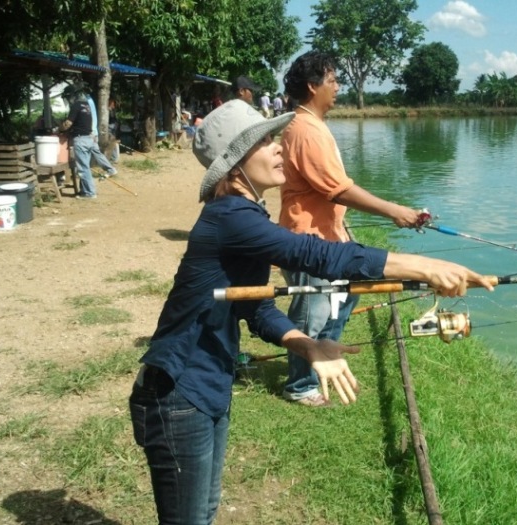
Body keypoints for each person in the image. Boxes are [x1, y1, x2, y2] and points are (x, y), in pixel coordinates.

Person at [128, 99, 493, 525]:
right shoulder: (230, 218)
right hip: (177, 390)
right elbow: (313, 253)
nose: (279, 146)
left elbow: (257, 305)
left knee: (205, 512)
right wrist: (425, 267)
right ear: (235, 163)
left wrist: (308, 345)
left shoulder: (244, 214)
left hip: (207, 384)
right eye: (265, 141)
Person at [279, 50, 423, 406]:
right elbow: (338, 189)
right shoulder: (306, 130)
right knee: (312, 312)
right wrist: (393, 211)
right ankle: (300, 385)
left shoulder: (313, 126)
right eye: (332, 81)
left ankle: (325, 356)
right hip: (308, 242)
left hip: (329, 237)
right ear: (313, 87)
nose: (338, 87)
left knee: (346, 294)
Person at [59, 83, 98, 199]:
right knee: (85, 166)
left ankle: (89, 193)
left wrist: (59, 128)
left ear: (71, 96)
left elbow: (68, 124)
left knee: (82, 168)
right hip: (88, 138)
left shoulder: (75, 106)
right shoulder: (86, 105)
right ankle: (84, 190)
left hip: (80, 139)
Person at [85, 92, 118, 177]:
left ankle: (113, 160)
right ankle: (111, 165)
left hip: (109, 126)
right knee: (97, 151)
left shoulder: (109, 107)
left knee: (111, 142)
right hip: (100, 129)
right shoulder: (93, 102)